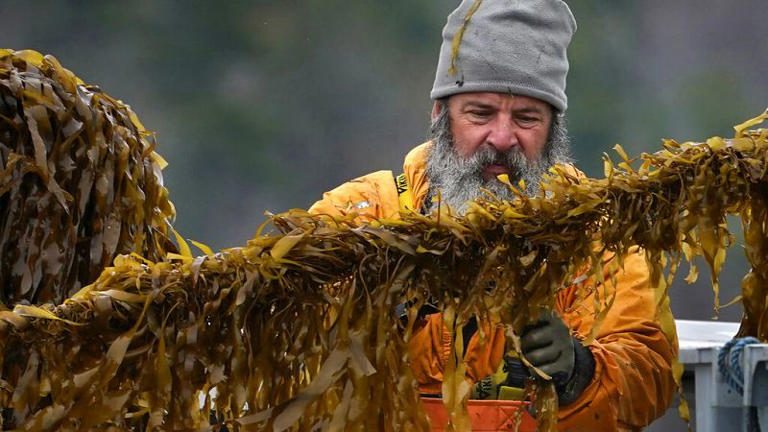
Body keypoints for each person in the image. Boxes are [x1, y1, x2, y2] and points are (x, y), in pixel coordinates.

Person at [309, 1, 678, 430]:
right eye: (480, 113)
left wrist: (580, 371)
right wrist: (365, 321)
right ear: (439, 115)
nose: (502, 139)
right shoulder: (361, 214)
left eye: (526, 118)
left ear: (554, 129)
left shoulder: (598, 236)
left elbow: (651, 368)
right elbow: (280, 347)